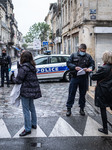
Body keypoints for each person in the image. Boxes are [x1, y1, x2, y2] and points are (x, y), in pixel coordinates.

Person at [12, 51, 42, 136]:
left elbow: (18, 80)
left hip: (25, 91)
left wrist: (13, 78)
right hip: (32, 90)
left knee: (26, 110)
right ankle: (34, 124)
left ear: (23, 58)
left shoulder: (24, 68)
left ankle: (27, 129)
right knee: (32, 108)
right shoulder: (32, 66)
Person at [66, 43, 95, 116]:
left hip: (84, 78)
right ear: (79, 49)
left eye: (84, 51)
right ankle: (69, 108)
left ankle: (82, 108)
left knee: (83, 94)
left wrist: (88, 69)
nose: (83, 52)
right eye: (82, 50)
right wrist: (74, 67)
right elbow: (68, 63)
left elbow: (92, 65)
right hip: (74, 77)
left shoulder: (88, 56)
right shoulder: (73, 55)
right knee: (71, 93)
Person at [91, 51, 112, 134]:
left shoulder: (104, 68)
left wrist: (90, 72)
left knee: (103, 109)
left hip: (104, 91)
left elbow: (94, 77)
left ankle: (105, 128)